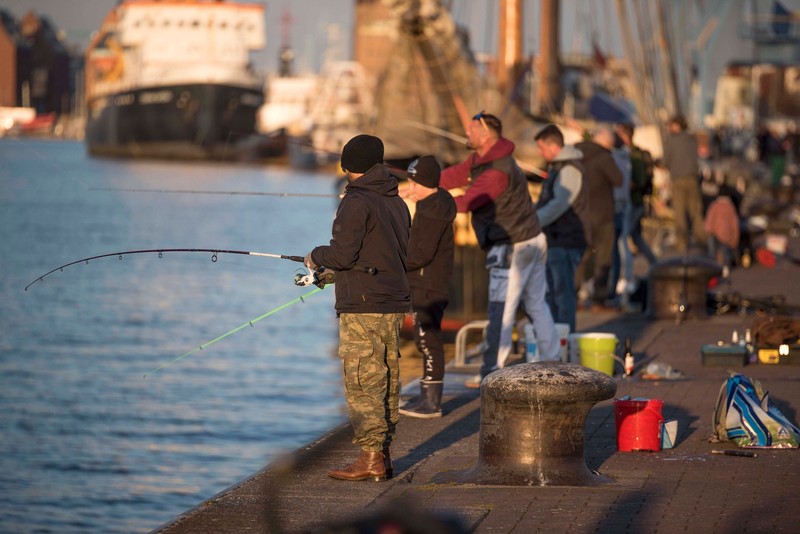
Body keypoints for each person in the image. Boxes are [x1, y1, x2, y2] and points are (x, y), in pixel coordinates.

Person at [304, 134, 411, 482]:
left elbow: (342, 254)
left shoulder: (356, 201)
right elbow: (376, 255)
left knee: (363, 381)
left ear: (346, 165)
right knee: (386, 378)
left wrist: (315, 257)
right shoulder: (395, 201)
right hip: (392, 301)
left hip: (363, 306)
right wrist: (335, 274)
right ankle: (383, 454)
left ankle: (369, 458)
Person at [440, 112, 559, 388]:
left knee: (500, 309)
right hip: (533, 240)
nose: (466, 134)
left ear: (485, 134)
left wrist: (430, 198)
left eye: (471, 130)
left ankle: (491, 372)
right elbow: (455, 175)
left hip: (512, 247)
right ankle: (554, 361)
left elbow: (468, 201)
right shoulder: (483, 159)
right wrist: (425, 181)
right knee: (536, 305)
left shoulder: (495, 170)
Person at [398, 155, 456, 418]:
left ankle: (431, 403)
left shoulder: (433, 211)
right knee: (425, 339)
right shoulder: (433, 203)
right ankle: (426, 396)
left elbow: (421, 253)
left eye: (413, 184)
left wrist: (393, 262)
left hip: (429, 284)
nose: (409, 189)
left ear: (426, 183)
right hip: (425, 281)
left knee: (427, 338)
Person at [534, 124, 590, 333]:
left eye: (542, 148)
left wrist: (533, 219)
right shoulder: (558, 167)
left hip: (566, 240)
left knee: (562, 294)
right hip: (557, 239)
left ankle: (564, 346)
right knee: (554, 294)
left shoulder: (569, 169)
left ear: (553, 146)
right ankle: (556, 342)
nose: (540, 153)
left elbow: (559, 204)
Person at [575, 126, 623, 310]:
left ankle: (573, 296)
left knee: (580, 257)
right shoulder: (604, 157)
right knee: (604, 257)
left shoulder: (577, 152)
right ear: (607, 143)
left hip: (581, 213)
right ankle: (598, 299)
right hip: (603, 213)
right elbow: (618, 179)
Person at [661, 115, 705, 252]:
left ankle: (682, 243)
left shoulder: (673, 140)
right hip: (693, 179)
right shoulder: (692, 139)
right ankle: (702, 240)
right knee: (696, 212)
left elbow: (665, 162)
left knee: (679, 212)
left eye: (670, 125)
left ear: (676, 125)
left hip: (678, 180)